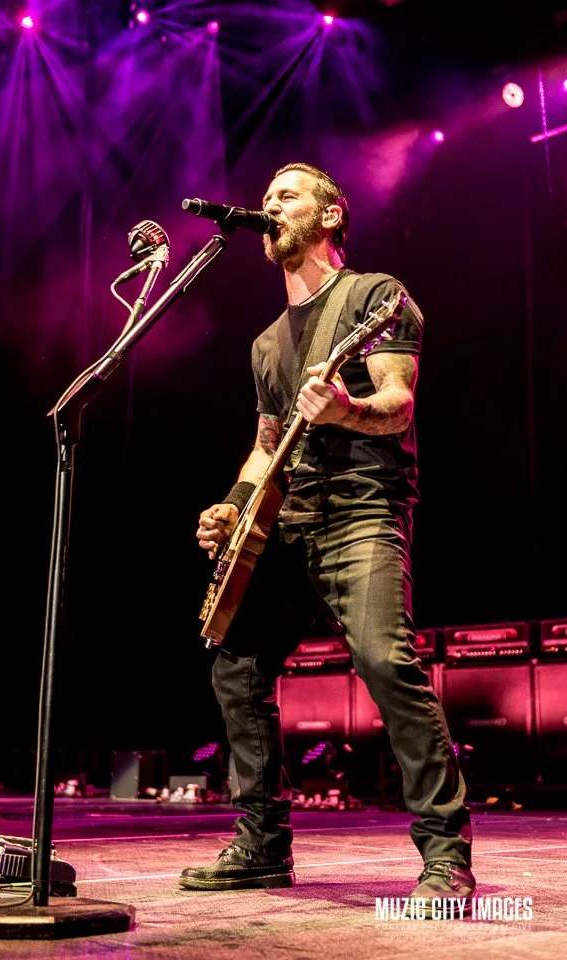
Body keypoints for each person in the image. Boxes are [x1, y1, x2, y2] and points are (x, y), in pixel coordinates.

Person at [180, 162, 475, 913]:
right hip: (287, 521)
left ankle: (446, 853)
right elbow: (264, 447)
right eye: (266, 198)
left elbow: (397, 402)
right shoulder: (265, 345)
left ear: (331, 214)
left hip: (361, 511)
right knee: (235, 665)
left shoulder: (376, 296)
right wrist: (233, 505)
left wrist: (347, 410)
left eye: (287, 195)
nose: (269, 206)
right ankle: (262, 844)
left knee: (384, 661)